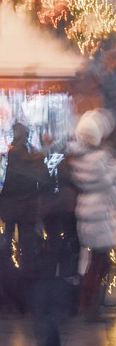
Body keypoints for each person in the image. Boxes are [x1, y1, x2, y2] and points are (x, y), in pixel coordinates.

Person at [27, 136, 80, 346]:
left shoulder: (57, 179)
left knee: (46, 313)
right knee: (45, 314)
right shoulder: (58, 175)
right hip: (53, 255)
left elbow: (64, 207)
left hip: (54, 257)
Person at [68, 109, 116, 320]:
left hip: (87, 212)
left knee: (94, 261)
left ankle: (89, 304)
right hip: (100, 215)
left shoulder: (77, 156)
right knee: (100, 263)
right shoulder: (99, 158)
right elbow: (110, 180)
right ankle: (89, 306)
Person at [0, 122, 51, 313]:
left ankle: (11, 297)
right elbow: (42, 181)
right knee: (27, 252)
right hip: (27, 212)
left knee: (6, 252)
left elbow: (6, 186)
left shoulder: (10, 157)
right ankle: (27, 299)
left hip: (11, 211)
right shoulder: (32, 158)